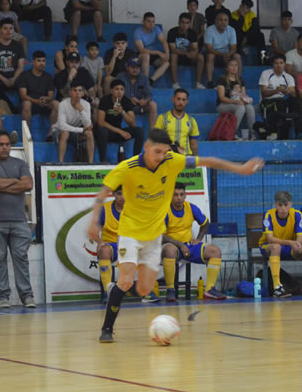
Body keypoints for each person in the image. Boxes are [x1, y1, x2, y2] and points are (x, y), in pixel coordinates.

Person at [87, 128, 264, 342]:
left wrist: (239, 168)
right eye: (157, 152)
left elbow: (207, 161)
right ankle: (106, 329)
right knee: (125, 280)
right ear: (146, 147)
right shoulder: (128, 167)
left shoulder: (172, 161)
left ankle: (114, 290)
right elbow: (102, 193)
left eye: (165, 152)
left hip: (154, 237)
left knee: (144, 289)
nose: (161, 157)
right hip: (130, 233)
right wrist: (94, 221)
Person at [0, 130, 36, 308]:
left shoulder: (20, 163)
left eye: (8, 144)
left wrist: (0, 183)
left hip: (19, 219)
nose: (5, 147)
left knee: (21, 257)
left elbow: (28, 184)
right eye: (1, 144)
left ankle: (27, 296)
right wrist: (15, 182)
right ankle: (2, 297)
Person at [162, 182, 225, 301]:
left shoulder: (191, 208)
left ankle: (209, 290)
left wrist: (199, 239)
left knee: (215, 251)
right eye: (175, 195)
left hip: (189, 245)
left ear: (185, 195)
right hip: (172, 245)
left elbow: (205, 223)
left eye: (181, 194)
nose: (179, 198)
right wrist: (180, 245)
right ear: (170, 196)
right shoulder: (165, 210)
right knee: (170, 250)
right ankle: (170, 289)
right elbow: (161, 236)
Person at [257, 190, 302, 298]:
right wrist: (290, 242)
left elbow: (300, 237)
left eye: (286, 205)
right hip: (268, 246)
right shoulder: (269, 215)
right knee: (276, 247)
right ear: (275, 205)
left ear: (290, 204)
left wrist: (298, 246)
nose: (283, 208)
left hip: (289, 247)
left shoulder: (297, 214)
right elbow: (270, 239)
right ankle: (277, 287)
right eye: (280, 205)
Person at [96, 79, 144, 162]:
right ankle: (102, 161)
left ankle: (136, 160)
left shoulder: (126, 101)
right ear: (111, 90)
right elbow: (100, 122)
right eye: (116, 89)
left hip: (117, 132)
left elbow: (133, 124)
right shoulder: (105, 100)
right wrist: (120, 131)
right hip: (106, 132)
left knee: (139, 131)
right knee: (102, 131)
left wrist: (123, 112)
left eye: (122, 89)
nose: (119, 92)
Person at [93, 185, 124, 303]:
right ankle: (108, 291)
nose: (122, 197)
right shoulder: (104, 209)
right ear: (114, 194)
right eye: (119, 194)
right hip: (111, 245)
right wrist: (100, 242)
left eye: (125, 194)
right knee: (104, 250)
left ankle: (149, 292)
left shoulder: (134, 209)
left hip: (129, 245)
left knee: (147, 250)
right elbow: (94, 230)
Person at [258, 54, 300, 140]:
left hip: (282, 102)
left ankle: (299, 131)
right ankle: (285, 121)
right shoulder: (266, 74)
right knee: (280, 101)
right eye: (276, 63)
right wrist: (276, 91)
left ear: (285, 64)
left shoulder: (288, 77)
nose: (279, 65)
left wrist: (287, 91)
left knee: (296, 101)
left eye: (281, 63)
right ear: (273, 64)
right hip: (267, 102)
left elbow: (293, 93)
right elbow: (263, 93)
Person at [18, 50, 57, 136]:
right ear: (33, 62)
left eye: (43, 61)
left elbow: (51, 96)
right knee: (27, 103)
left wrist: (46, 99)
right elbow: (23, 96)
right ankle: (27, 135)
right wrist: (36, 101)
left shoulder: (48, 77)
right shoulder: (24, 75)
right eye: (38, 61)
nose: (41, 63)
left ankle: (51, 134)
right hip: (30, 104)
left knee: (56, 104)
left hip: (43, 104)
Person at [55, 80, 95, 163]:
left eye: (80, 91)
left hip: (75, 133)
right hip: (59, 131)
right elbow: (61, 125)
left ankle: (91, 163)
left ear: (83, 93)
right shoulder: (63, 104)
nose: (77, 93)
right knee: (65, 133)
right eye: (75, 90)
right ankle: (60, 162)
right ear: (70, 92)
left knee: (89, 133)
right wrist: (80, 130)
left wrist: (81, 110)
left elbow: (88, 125)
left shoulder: (86, 104)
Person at [218, 58, 257, 139]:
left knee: (250, 107)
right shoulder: (222, 79)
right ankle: (232, 133)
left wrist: (246, 100)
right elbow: (221, 98)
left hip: (237, 102)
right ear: (227, 68)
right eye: (231, 65)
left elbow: (243, 94)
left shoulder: (240, 80)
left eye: (236, 65)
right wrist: (235, 101)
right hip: (223, 105)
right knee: (240, 107)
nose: (234, 67)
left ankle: (253, 134)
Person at [154, 88, 200, 155]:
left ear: (187, 101)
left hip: (185, 157)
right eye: (178, 99)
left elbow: (194, 144)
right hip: (167, 156)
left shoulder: (191, 121)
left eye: (183, 100)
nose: (181, 102)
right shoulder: (162, 118)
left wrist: (196, 160)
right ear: (173, 99)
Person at [167, 12, 205, 89]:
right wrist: (186, 53)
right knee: (173, 56)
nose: (184, 25)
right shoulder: (172, 32)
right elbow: (173, 49)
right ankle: (175, 83)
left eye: (187, 23)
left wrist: (194, 53)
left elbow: (195, 47)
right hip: (178, 56)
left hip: (188, 57)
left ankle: (198, 83)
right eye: (183, 22)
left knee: (200, 57)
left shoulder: (193, 33)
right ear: (179, 22)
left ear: (190, 24)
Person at [117, 56, 157, 128]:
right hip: (124, 106)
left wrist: (145, 100)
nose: (135, 69)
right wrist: (129, 99)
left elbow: (149, 94)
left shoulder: (144, 78)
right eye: (132, 67)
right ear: (127, 67)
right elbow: (116, 94)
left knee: (153, 105)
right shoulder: (120, 77)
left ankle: (152, 131)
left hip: (140, 106)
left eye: (137, 67)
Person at [204, 11, 241, 87]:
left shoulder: (231, 30)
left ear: (228, 22)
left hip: (227, 54)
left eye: (225, 20)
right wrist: (223, 55)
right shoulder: (209, 30)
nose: (223, 22)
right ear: (216, 21)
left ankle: (237, 81)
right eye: (220, 20)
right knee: (210, 56)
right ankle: (210, 82)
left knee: (237, 56)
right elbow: (209, 48)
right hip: (215, 54)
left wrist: (228, 55)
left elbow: (234, 48)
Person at [133, 12, 170, 85]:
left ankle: (151, 80)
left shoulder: (156, 28)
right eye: (148, 21)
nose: (151, 24)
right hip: (141, 56)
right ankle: (145, 81)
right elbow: (141, 50)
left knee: (166, 63)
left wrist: (167, 55)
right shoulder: (137, 32)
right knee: (146, 55)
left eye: (153, 22)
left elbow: (164, 42)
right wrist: (158, 52)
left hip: (153, 55)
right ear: (143, 22)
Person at [229, 0, 264, 64]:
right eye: (244, 7)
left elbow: (255, 28)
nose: (246, 10)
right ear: (241, 6)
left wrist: (246, 37)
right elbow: (236, 28)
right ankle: (236, 56)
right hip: (238, 36)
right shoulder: (233, 15)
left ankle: (262, 58)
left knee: (260, 35)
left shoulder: (251, 14)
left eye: (248, 8)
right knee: (237, 34)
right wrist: (242, 16)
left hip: (247, 36)